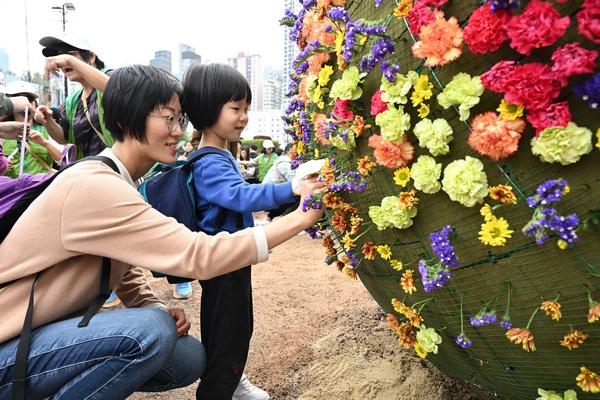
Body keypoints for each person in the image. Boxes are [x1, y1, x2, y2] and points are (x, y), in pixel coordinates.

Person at [0, 64, 325, 400]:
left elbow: (120, 270)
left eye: (180, 119)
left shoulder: (121, 180)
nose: (178, 131)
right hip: (11, 345)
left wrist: (154, 305)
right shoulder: (96, 186)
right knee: (149, 333)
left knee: (186, 357)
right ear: (129, 121)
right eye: (168, 119)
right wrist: (298, 219)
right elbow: (196, 254)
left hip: (38, 337)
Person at [182, 63, 323, 400]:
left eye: (246, 108)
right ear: (207, 109)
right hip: (224, 263)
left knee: (231, 329)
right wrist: (291, 188)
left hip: (232, 258)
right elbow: (242, 195)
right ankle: (219, 390)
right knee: (230, 331)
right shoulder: (209, 161)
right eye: (236, 109)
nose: (244, 117)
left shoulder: (220, 155)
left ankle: (231, 382)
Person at [34, 34, 112, 159]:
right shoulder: (72, 101)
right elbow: (63, 138)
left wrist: (70, 61)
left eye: (70, 54)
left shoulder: (112, 77)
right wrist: (47, 120)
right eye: (60, 56)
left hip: (119, 168)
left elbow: (119, 89)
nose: (62, 63)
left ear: (91, 57)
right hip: (89, 168)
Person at [2, 81, 63, 177]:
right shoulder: (2, 130)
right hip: (12, 185)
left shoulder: (47, 129)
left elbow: (62, 159)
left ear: (35, 103)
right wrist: (2, 163)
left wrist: (45, 143)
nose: (25, 104)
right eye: (18, 99)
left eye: (29, 99)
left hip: (41, 184)